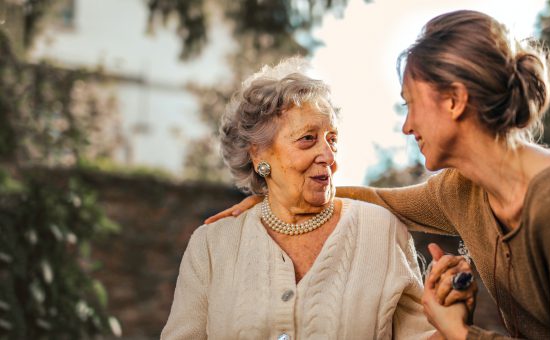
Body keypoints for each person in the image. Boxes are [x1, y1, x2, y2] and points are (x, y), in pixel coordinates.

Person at [205, 10, 550, 339]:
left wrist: (458, 330)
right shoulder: (463, 190)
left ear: (454, 101)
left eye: (411, 103)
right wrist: (277, 195)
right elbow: (379, 200)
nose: (407, 126)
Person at [162, 58, 475, 339]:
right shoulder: (212, 245)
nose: (327, 155)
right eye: (308, 139)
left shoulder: (381, 231)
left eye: (332, 139)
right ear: (258, 155)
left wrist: (451, 317)